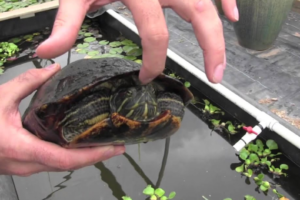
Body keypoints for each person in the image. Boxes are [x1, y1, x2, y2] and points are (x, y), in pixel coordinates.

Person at [0, 0, 238, 176]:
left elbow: (173, 102)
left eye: (149, 94)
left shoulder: (152, 98)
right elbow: (55, 115)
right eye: (135, 93)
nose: (146, 94)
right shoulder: (101, 103)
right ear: (118, 97)